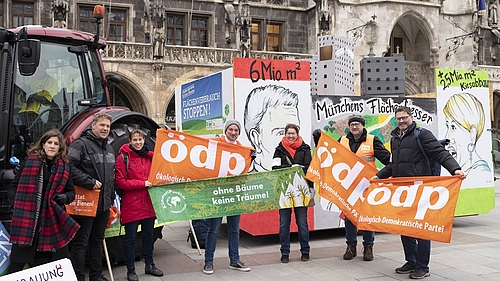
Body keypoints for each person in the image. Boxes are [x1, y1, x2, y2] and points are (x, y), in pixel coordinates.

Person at [375, 106, 465, 279]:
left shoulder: (422, 134)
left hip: (421, 190)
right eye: (398, 118)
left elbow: (440, 153)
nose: (401, 121)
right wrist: (378, 176)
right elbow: (393, 165)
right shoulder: (395, 139)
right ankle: (411, 260)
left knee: (421, 229)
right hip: (402, 192)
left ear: (411, 117)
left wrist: (455, 169)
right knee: (405, 227)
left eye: (404, 117)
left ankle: (422, 266)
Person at [7, 129, 79, 273]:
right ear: (43, 144)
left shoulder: (65, 167)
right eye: (49, 142)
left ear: (60, 147)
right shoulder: (29, 162)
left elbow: (71, 192)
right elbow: (13, 186)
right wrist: (16, 205)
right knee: (17, 266)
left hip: (52, 221)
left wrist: (65, 198)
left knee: (53, 266)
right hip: (28, 220)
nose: (52, 146)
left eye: (56, 143)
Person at [69, 113, 116, 281]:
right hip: (86, 203)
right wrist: (88, 181)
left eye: (108, 126)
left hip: (103, 204)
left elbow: (111, 175)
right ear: (93, 126)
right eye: (102, 125)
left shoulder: (109, 148)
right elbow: (68, 168)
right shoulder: (80, 145)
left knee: (97, 240)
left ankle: (96, 275)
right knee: (80, 242)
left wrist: (111, 199)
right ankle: (78, 277)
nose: (105, 128)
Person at [338, 115, 390, 261]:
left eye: (357, 124)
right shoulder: (342, 140)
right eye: (352, 124)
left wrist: (382, 176)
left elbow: (387, 159)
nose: (354, 127)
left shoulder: (372, 140)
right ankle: (351, 246)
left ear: (363, 126)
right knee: (348, 217)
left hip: (367, 186)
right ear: (349, 127)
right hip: (348, 186)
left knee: (367, 216)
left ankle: (368, 247)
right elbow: (332, 156)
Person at [203, 119, 251, 275]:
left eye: (236, 130)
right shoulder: (216, 144)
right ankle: (208, 262)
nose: (233, 132)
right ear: (226, 130)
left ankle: (234, 260)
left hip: (235, 194)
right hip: (217, 193)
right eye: (231, 129)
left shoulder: (242, 149)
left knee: (234, 230)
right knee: (213, 229)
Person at [115, 129, 163, 281]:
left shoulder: (151, 158)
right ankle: (131, 270)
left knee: (148, 236)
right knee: (130, 238)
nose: (138, 142)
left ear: (144, 140)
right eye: (135, 140)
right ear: (130, 141)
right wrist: (142, 183)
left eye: (140, 139)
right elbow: (120, 182)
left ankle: (150, 264)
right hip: (132, 204)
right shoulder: (123, 158)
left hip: (149, 203)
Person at [271, 123, 311, 263]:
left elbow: (309, 168)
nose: (290, 136)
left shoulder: (305, 149)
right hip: (284, 190)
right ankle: (284, 253)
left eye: (293, 133)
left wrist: (300, 170)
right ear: (285, 134)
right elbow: (275, 168)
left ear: (297, 134)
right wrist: (291, 167)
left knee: (302, 223)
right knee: (284, 224)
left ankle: (305, 251)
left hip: (301, 191)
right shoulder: (279, 149)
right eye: (288, 133)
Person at [244, 85, 300, 172]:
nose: (290, 139)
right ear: (256, 138)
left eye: (295, 132)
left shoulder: (300, 179)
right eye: (281, 133)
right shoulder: (247, 183)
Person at [443, 93, 491, 181]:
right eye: (447, 126)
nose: (447, 136)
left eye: (453, 127)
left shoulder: (479, 173)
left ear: (472, 135)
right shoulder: (466, 170)